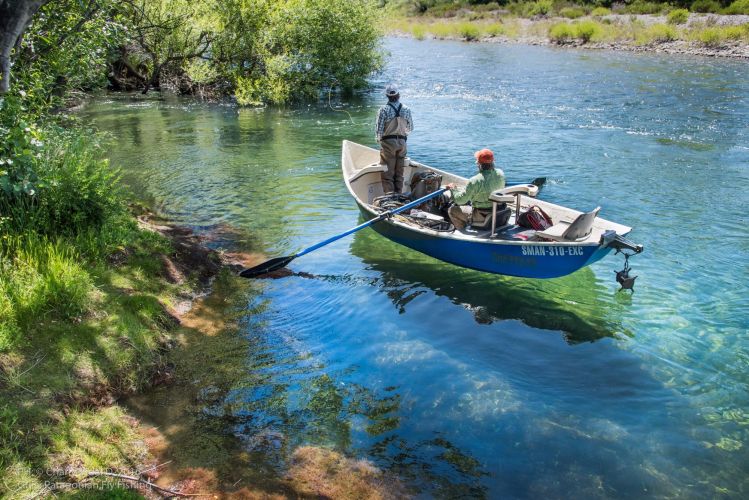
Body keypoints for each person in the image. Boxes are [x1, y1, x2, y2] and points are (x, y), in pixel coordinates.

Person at [445, 148, 506, 230]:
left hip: (482, 216)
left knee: (452, 210)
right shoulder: (500, 174)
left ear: (479, 164)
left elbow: (460, 200)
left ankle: (462, 231)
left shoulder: (474, 181)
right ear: (493, 162)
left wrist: (453, 189)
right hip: (499, 212)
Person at [375, 83, 413, 193]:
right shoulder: (406, 109)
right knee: (399, 173)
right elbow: (410, 128)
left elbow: (379, 131)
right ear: (398, 95)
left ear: (387, 96)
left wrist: (380, 140)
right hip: (402, 143)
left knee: (388, 173)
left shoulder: (383, 110)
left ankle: (390, 198)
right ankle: (399, 196)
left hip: (388, 144)